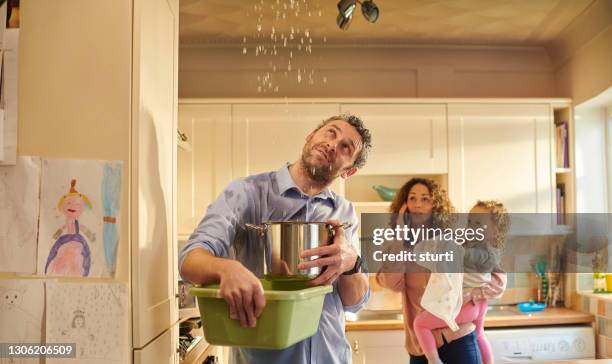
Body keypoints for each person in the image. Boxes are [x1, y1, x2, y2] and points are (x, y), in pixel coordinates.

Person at [179, 114, 372, 364]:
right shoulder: (247, 193)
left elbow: (355, 302)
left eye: (346, 147)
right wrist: (227, 268)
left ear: (350, 171)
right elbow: (190, 259)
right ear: (310, 136)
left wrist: (352, 264)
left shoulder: (344, 212)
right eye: (330, 133)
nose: (333, 144)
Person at [376, 178, 507, 364]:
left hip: (459, 340)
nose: (417, 205)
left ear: (436, 206)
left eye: (425, 199)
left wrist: (487, 288)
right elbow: (391, 283)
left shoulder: (452, 238)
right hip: (421, 348)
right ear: (403, 206)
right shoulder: (396, 246)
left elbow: (493, 270)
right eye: (412, 198)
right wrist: (399, 237)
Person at [412, 200, 510, 364]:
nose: (471, 226)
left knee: (420, 324)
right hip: (473, 304)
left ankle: (434, 360)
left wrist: (449, 247)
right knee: (480, 334)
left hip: (466, 304)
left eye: (478, 223)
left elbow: (466, 256)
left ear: (495, 232)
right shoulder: (479, 246)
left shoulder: (484, 252)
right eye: (470, 221)